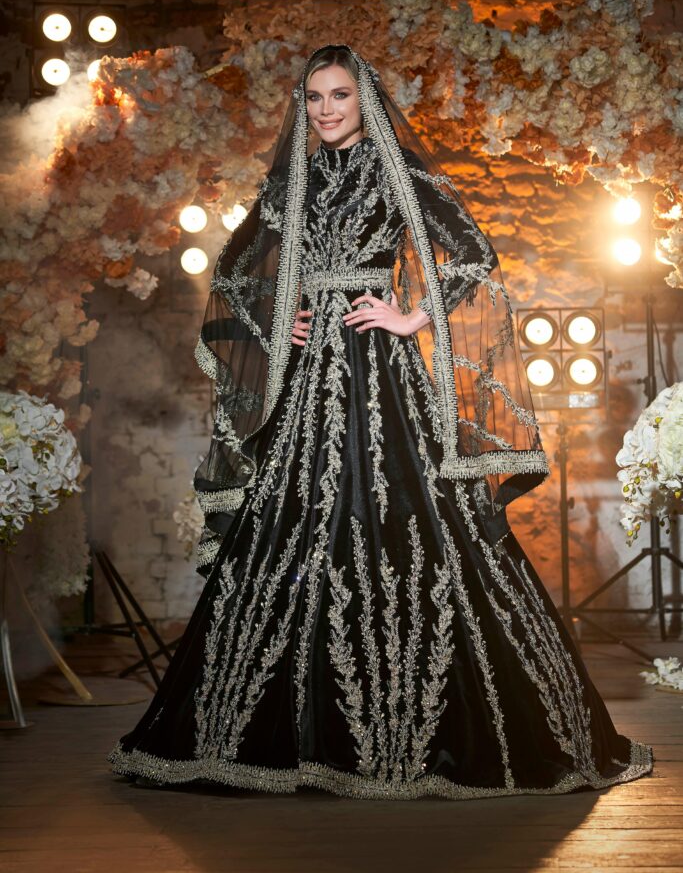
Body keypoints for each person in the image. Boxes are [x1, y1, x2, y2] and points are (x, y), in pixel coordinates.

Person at [108, 44, 654, 799]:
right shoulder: (291, 180)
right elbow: (235, 271)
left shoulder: (397, 170)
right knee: (296, 525)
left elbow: (470, 252)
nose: (325, 110)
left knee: (411, 519)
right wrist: (280, 316)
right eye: (313, 98)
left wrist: (407, 318)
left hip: (379, 375)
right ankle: (283, 727)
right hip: (306, 384)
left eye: (338, 95)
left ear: (363, 99)